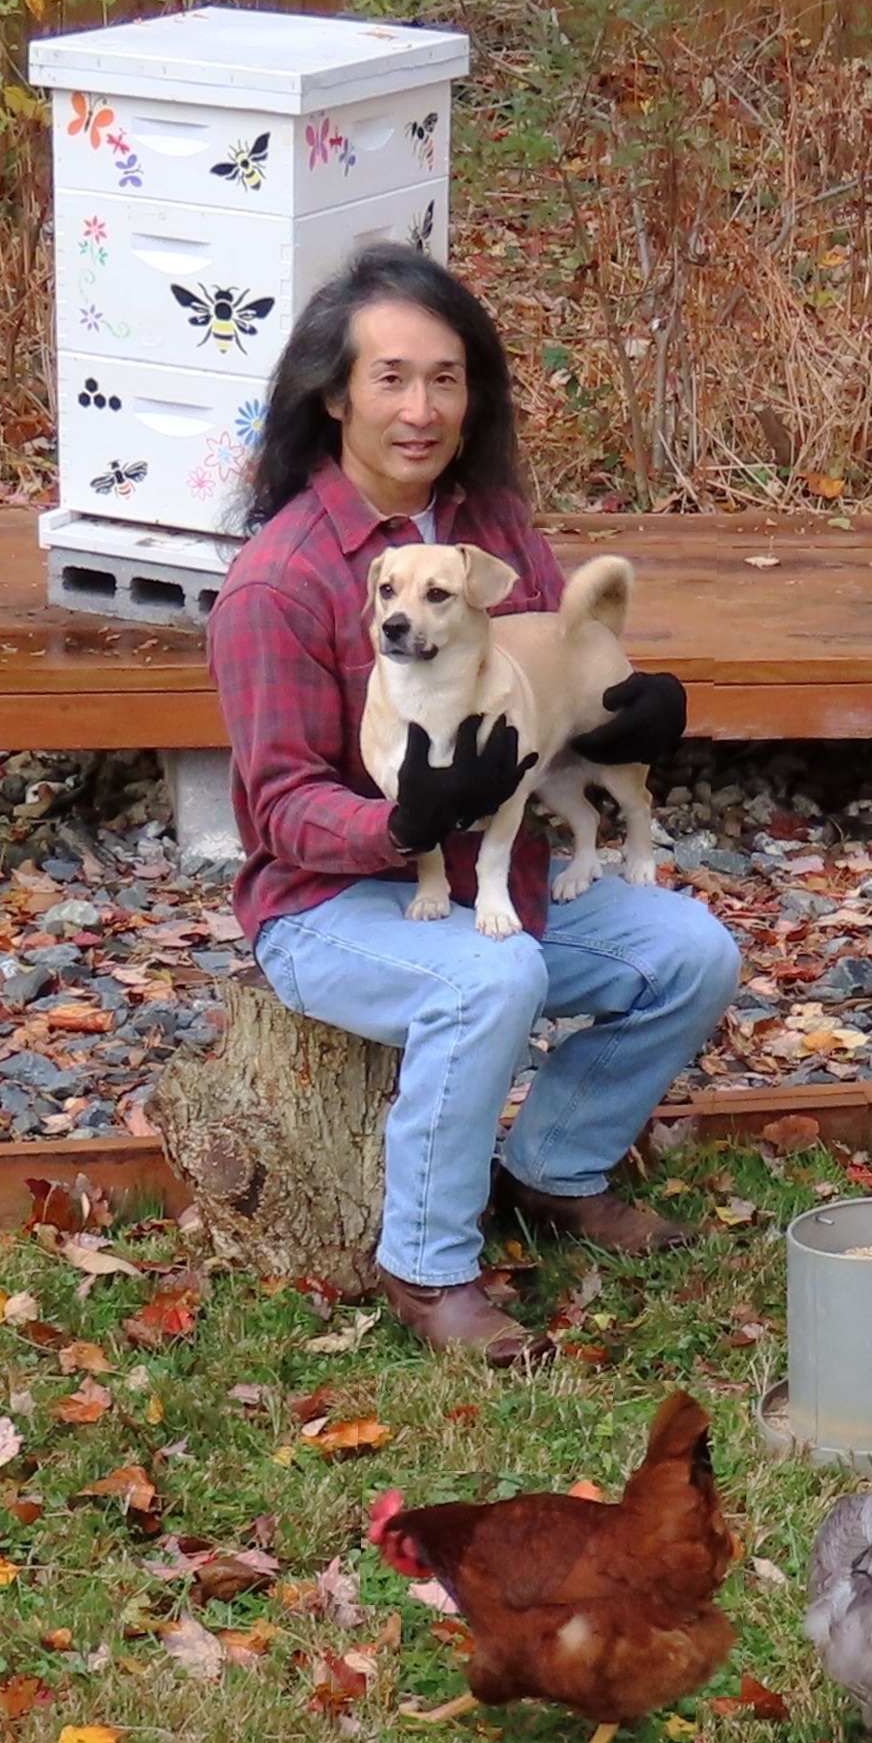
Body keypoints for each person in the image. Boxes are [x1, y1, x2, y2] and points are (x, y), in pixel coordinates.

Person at [207, 244, 737, 1362]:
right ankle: (427, 1264)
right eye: (390, 378)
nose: (419, 408)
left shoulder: (491, 532)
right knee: (484, 977)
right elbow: (277, 812)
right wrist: (401, 825)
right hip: (326, 906)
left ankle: (554, 1170)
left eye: (444, 378)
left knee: (688, 951)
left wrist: (616, 714)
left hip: (507, 875)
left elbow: (547, 674)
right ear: (334, 392)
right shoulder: (280, 580)